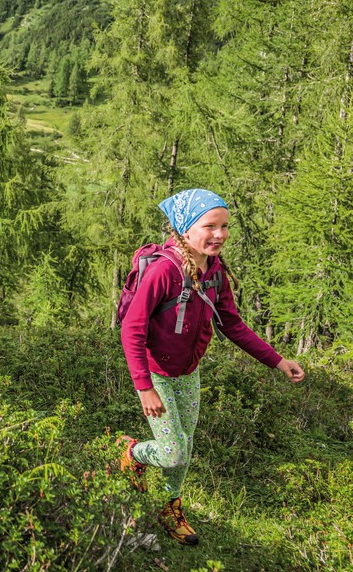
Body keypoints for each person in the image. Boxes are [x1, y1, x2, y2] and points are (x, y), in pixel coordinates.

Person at [118, 188, 305, 546]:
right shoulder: (163, 272)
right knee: (172, 450)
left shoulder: (214, 272)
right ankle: (131, 453)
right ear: (185, 229)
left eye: (225, 227)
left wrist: (278, 361)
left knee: (183, 447)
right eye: (210, 226)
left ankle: (169, 506)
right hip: (157, 374)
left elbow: (232, 324)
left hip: (188, 373)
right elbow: (132, 328)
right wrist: (144, 386)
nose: (220, 234)